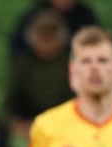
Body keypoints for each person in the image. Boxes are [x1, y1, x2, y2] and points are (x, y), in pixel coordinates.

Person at [4, 9, 73, 138]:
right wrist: (17, 124)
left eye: (51, 37)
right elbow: (11, 101)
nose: (46, 43)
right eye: (42, 37)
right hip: (28, 125)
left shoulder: (72, 64)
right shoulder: (23, 63)